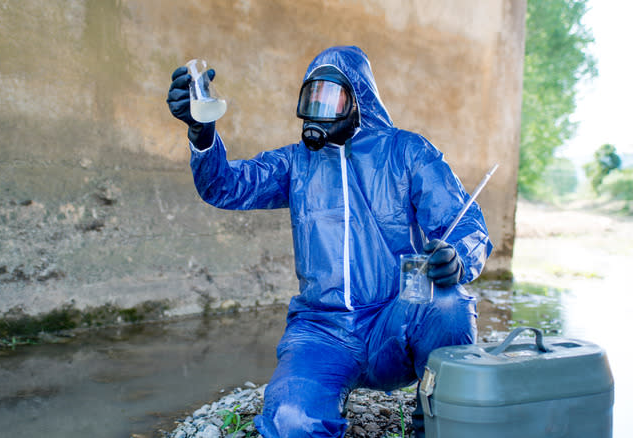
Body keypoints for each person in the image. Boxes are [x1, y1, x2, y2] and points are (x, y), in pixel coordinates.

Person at [167, 46, 493, 438]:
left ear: (358, 101)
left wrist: (458, 256)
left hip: (396, 319)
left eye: (330, 98)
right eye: (311, 98)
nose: (317, 110)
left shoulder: (406, 152)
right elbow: (225, 186)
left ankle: (438, 417)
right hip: (322, 331)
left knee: (448, 302)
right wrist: (201, 133)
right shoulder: (294, 163)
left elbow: (463, 222)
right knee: (292, 421)